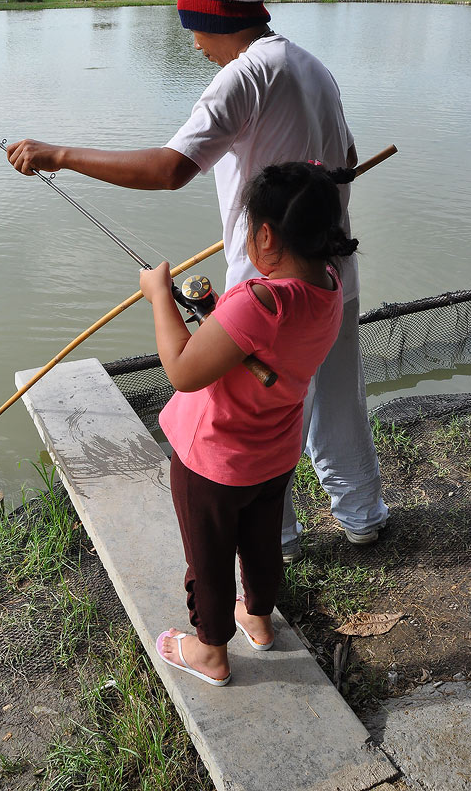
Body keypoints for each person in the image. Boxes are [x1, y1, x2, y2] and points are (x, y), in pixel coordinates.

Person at [6, 0, 388, 559]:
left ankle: (278, 536)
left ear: (210, 21)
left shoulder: (244, 75)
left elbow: (169, 169)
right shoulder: (314, 67)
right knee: (338, 394)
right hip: (332, 271)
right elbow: (348, 156)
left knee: (258, 414)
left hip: (265, 285)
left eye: (194, 32)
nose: (195, 47)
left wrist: (60, 154)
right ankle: (362, 513)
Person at [140, 161, 355, 685]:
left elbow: (183, 371)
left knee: (207, 560)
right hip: (275, 453)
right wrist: (219, 316)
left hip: (211, 461)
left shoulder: (259, 302)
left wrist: (159, 298)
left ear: (265, 234)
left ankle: (210, 651)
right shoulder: (330, 286)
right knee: (261, 543)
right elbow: (258, 342)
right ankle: (257, 618)